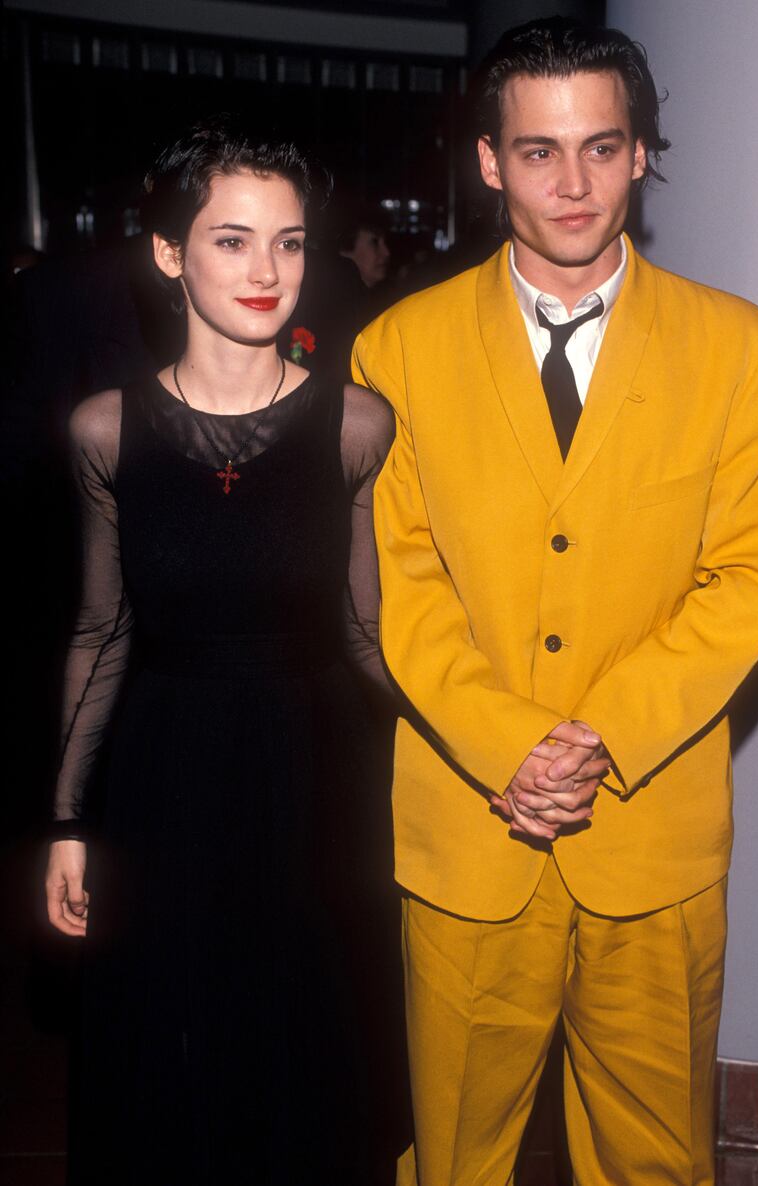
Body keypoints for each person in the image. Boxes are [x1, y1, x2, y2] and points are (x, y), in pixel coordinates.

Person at [352, 16, 758, 1186]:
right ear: (489, 161)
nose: (573, 181)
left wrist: (601, 735)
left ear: (641, 154)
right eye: (538, 152)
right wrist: (505, 742)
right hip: (466, 829)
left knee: (656, 1159)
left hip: (651, 835)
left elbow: (755, 569)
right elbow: (392, 580)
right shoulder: (394, 350)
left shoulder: (743, 352)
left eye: (601, 147)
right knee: (454, 1157)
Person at [44, 114, 406, 1186]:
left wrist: (484, 746)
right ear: (168, 254)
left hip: (312, 778)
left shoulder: (356, 425)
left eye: (289, 241)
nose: (267, 269)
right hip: (163, 775)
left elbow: (364, 631)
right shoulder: (105, 429)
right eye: (232, 239)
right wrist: (68, 818)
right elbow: (101, 630)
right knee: (169, 1057)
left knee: (303, 1057)